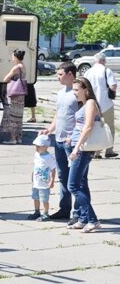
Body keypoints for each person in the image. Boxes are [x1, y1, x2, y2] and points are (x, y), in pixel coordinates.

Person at [40, 62, 79, 223]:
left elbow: (83, 117)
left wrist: (75, 136)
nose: (58, 77)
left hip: (72, 141)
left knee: (76, 178)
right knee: (62, 175)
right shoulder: (62, 93)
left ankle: (78, 212)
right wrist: (50, 129)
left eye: (61, 74)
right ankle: (64, 209)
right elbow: (59, 113)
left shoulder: (78, 93)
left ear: (70, 74)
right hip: (59, 138)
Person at [67, 77, 101, 233]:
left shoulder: (91, 103)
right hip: (78, 146)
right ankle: (84, 218)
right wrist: (71, 138)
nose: (74, 93)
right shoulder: (84, 104)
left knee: (72, 185)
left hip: (82, 150)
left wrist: (76, 148)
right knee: (82, 184)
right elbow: (80, 126)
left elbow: (88, 127)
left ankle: (93, 220)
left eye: (76, 90)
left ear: (86, 90)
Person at [83, 52, 118, 158]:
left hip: (92, 104)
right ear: (103, 60)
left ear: (95, 60)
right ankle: (109, 150)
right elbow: (113, 86)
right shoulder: (106, 71)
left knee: (94, 126)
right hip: (106, 103)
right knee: (109, 127)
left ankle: (96, 151)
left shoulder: (88, 72)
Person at [27, 134, 56, 222]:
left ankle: (46, 213)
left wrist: (52, 181)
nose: (36, 148)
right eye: (36, 146)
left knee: (44, 199)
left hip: (44, 182)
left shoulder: (49, 157)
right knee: (35, 198)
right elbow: (35, 166)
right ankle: (37, 212)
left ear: (45, 147)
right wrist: (32, 176)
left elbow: (53, 169)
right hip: (36, 182)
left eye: (38, 146)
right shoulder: (37, 155)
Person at [1, 49, 26, 144]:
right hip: (20, 94)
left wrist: (10, 81)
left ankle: (12, 138)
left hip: (13, 94)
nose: (11, 58)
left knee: (11, 115)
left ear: (15, 57)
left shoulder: (16, 68)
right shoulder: (23, 66)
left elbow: (5, 79)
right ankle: (18, 137)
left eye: (12, 56)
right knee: (18, 116)